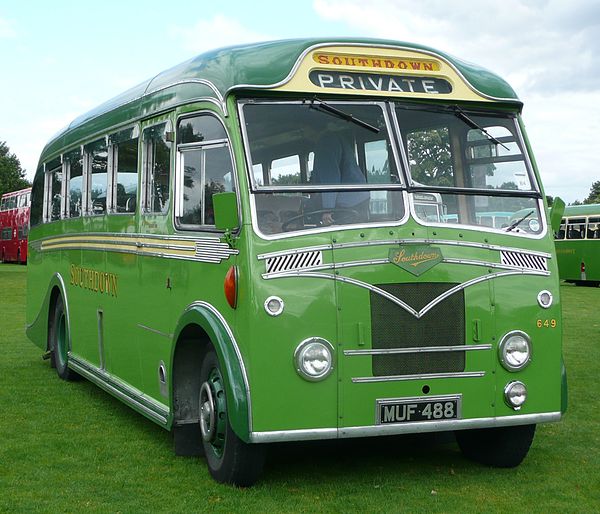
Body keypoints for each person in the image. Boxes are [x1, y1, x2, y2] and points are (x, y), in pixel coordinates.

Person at [310, 133, 370, 225]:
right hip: (360, 199)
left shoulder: (325, 142)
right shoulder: (338, 138)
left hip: (347, 206)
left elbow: (330, 178)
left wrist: (328, 210)